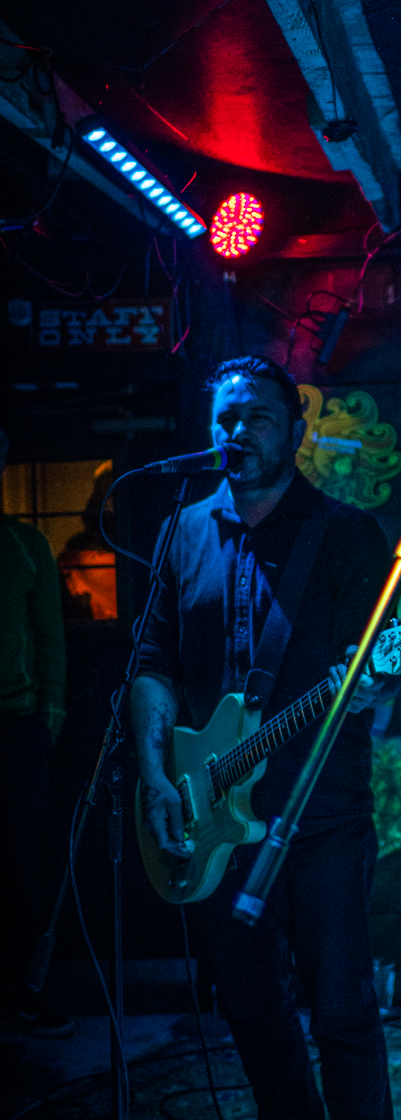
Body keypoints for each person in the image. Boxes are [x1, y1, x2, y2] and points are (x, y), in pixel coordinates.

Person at [133, 357, 394, 1120]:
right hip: (213, 817)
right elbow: (152, 665)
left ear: (295, 432)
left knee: (342, 1014)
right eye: (225, 418)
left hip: (323, 820)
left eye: (257, 418)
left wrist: (371, 682)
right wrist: (156, 777)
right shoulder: (181, 531)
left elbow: (379, 665)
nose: (237, 431)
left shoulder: (346, 535)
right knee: (250, 1012)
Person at [0, 425, 72, 1037]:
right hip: (22, 725)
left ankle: (26, 992)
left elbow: (51, 636)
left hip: (16, 726)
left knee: (21, 865)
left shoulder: (23, 544)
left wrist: (50, 716)